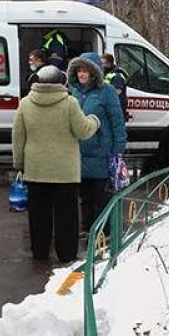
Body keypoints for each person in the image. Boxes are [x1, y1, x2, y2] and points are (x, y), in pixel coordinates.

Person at [12, 65, 99, 262]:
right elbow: (83, 131)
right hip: (65, 172)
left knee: (38, 214)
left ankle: (40, 252)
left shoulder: (25, 103)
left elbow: (18, 137)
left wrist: (19, 164)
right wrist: (94, 121)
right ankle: (66, 254)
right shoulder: (70, 103)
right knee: (66, 215)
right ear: (62, 82)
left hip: (35, 169)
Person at [69, 53, 127, 236]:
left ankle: (105, 232)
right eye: (79, 70)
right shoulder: (75, 92)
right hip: (80, 152)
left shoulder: (107, 91)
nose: (81, 74)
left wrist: (117, 150)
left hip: (101, 152)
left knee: (101, 196)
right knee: (84, 195)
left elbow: (117, 121)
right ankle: (87, 228)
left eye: (85, 70)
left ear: (94, 72)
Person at [100, 53, 128, 119]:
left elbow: (117, 92)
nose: (102, 65)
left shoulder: (117, 75)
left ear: (110, 63)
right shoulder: (107, 73)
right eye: (101, 63)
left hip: (116, 107)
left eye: (104, 63)